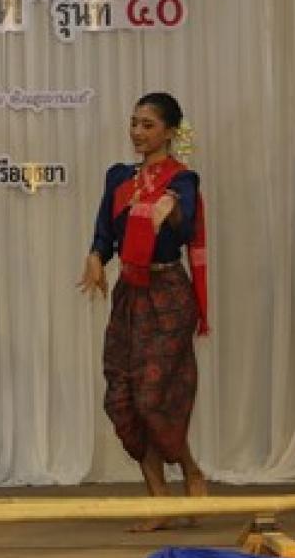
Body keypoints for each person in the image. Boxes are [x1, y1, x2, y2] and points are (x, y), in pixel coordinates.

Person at [80, 92, 210, 531]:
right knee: (123, 397)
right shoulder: (119, 177)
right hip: (130, 294)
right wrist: (95, 257)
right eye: (134, 123)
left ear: (170, 132)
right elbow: (105, 232)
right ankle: (159, 500)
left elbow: (183, 219)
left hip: (169, 295)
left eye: (148, 125)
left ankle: (190, 470)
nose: (137, 132)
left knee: (153, 397)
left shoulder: (182, 180)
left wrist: (167, 208)